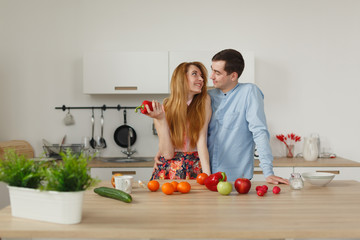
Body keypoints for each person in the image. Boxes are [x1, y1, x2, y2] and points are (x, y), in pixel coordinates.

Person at [208, 49, 288, 184]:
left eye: (217, 73)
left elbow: (259, 132)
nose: (211, 76)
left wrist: (268, 171)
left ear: (233, 76)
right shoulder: (208, 97)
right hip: (207, 175)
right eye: (212, 70)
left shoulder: (249, 92)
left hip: (235, 177)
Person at [145, 61, 212, 180]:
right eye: (195, 74)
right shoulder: (163, 109)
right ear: (182, 78)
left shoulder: (204, 101)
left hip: (195, 165)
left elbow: (202, 141)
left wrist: (208, 177)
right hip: (169, 169)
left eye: (201, 76)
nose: (201, 79)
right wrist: (161, 120)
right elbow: (168, 154)